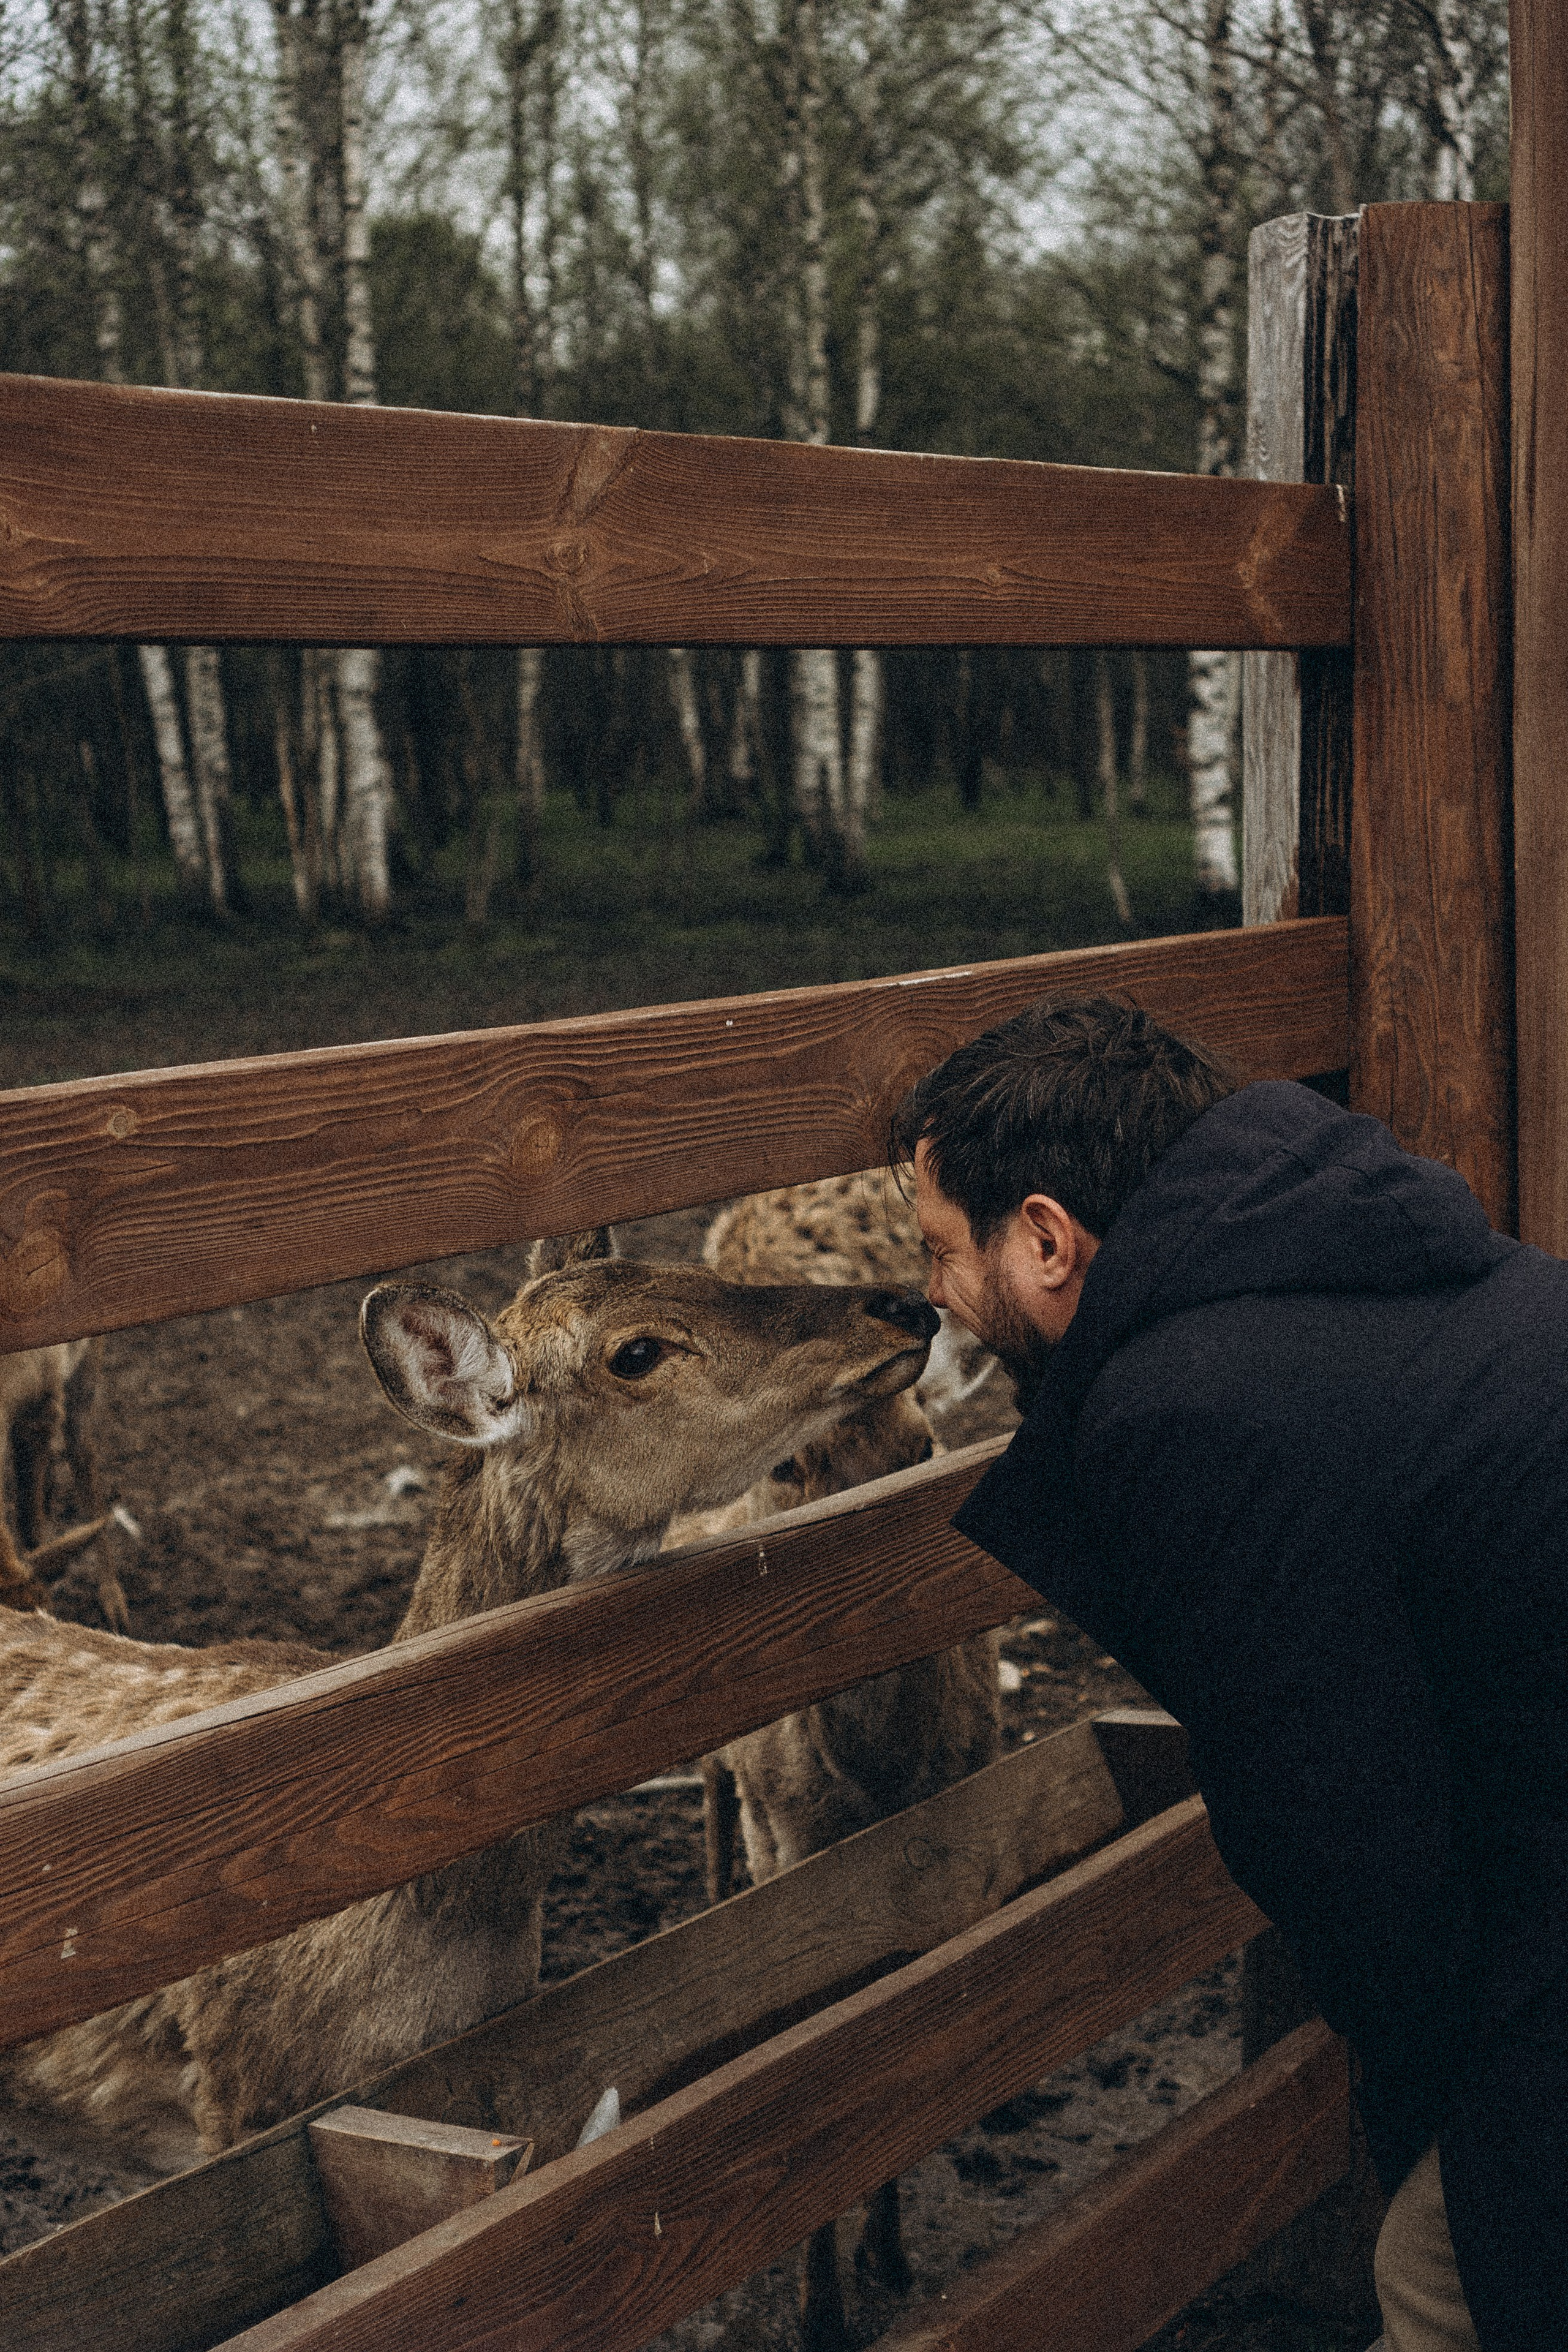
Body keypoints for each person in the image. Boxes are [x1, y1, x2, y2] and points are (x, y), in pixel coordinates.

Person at [891, 994, 1568, 2352]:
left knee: (1448, 2286)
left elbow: (1340, 1828)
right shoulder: (1387, 1253)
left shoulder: (1188, 1413)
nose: (930, 1294)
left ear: (1043, 1240)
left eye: (938, 1250)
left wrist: (1450, 2096)